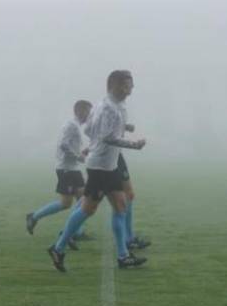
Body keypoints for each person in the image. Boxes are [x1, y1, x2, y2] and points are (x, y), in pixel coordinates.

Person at [48, 70, 147, 271]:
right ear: (115, 86)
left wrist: (122, 127)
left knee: (121, 205)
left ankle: (123, 256)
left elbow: (89, 130)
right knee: (88, 209)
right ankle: (58, 247)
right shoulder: (108, 108)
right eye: (128, 85)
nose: (131, 89)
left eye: (131, 85)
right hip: (101, 167)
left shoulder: (108, 105)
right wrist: (133, 144)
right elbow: (106, 137)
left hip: (107, 165)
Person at [26, 100, 92, 240]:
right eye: (88, 111)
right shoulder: (71, 126)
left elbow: (70, 146)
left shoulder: (76, 126)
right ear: (79, 111)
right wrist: (78, 157)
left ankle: (77, 232)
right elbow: (63, 146)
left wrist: (82, 153)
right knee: (65, 203)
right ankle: (34, 216)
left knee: (83, 198)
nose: (90, 115)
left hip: (73, 168)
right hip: (66, 169)